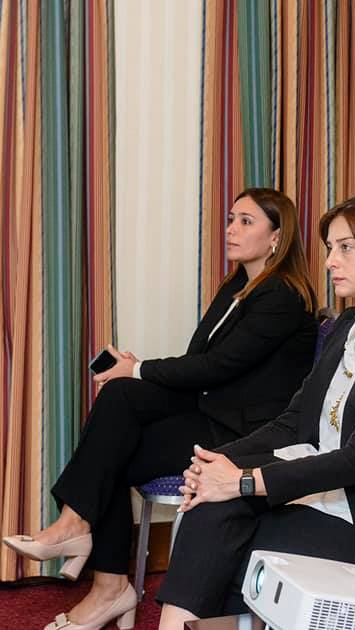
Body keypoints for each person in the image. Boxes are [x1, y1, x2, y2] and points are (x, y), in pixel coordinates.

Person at [154, 190, 355, 629]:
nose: (330, 261)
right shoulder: (349, 324)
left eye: (347, 248)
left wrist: (242, 480)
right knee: (212, 511)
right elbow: (295, 422)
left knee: (239, 546)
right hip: (339, 486)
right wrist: (218, 463)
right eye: (330, 248)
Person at [3, 188, 319, 630]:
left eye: (246, 221)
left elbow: (220, 366)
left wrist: (139, 369)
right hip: (214, 408)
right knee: (118, 401)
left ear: (277, 237)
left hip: (245, 432)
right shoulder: (237, 286)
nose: (231, 228)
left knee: (115, 441)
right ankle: (82, 539)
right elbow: (200, 357)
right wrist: (135, 372)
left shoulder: (283, 295)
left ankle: (102, 576)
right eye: (231, 218)